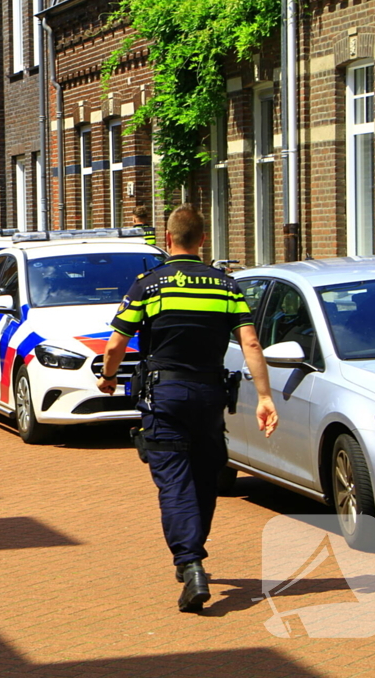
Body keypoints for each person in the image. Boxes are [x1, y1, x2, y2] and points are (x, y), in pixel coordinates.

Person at [96, 203, 278, 613]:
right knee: (205, 475)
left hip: (165, 398)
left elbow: (116, 343)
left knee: (175, 481)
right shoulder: (226, 286)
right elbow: (250, 343)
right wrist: (265, 397)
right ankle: (192, 551)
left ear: (168, 239)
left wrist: (108, 378)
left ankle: (190, 562)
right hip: (210, 397)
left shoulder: (149, 285)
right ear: (202, 240)